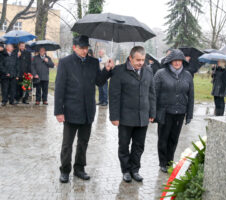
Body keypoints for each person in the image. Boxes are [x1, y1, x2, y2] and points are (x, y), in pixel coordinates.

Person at [54, 35, 114, 183]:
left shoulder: (93, 62)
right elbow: (59, 88)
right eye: (81, 48)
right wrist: (58, 111)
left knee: (83, 142)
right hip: (70, 109)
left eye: (86, 48)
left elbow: (99, 82)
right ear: (74, 47)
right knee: (67, 143)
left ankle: (79, 168)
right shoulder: (65, 62)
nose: (84, 51)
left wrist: (107, 70)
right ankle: (65, 170)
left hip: (88, 109)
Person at [109, 46, 156, 183]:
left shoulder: (148, 71)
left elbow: (152, 93)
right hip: (125, 117)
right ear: (130, 58)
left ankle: (135, 170)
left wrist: (152, 112)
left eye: (143, 59)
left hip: (143, 117)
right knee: (124, 145)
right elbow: (114, 96)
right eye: (138, 60)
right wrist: (114, 116)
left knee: (139, 146)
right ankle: (125, 170)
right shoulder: (119, 71)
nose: (141, 62)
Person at [154, 49, 194, 173]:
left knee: (174, 139)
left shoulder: (187, 75)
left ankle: (170, 161)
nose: (177, 63)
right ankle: (162, 162)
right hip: (164, 112)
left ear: (182, 61)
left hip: (180, 112)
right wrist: (152, 113)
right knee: (163, 138)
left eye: (179, 60)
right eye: (174, 60)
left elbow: (191, 95)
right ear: (170, 61)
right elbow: (154, 94)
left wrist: (189, 115)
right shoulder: (161, 74)